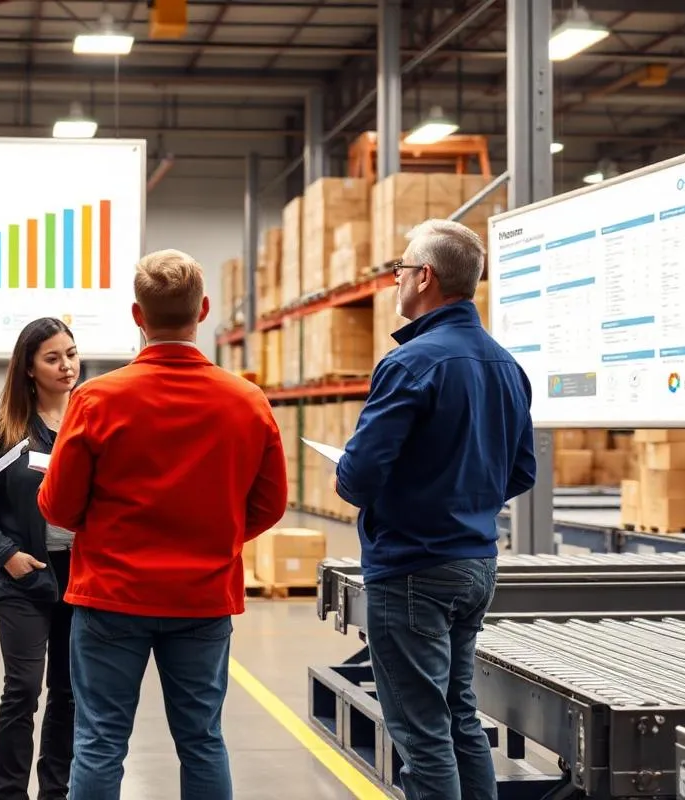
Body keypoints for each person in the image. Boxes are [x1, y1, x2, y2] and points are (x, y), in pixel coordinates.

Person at [36, 249, 289, 800]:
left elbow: (57, 506)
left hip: (110, 596)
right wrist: (217, 536)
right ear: (204, 310)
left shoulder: (96, 399)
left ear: (137, 315)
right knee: (202, 740)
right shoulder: (246, 401)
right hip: (202, 598)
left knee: (100, 741)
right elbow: (270, 503)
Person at [333, 219, 536, 800]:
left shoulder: (410, 364)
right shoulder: (506, 366)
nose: (395, 280)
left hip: (412, 569)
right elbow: (522, 471)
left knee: (423, 735)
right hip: (476, 565)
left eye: (400, 269)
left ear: (424, 277)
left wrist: (352, 472)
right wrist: (462, 497)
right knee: (459, 715)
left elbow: (359, 477)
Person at [0, 317, 81, 800]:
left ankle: (56, 790)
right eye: (52, 358)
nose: (66, 366)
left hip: (81, 578)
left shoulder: (89, 425)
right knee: (23, 690)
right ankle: (9, 793)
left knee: (70, 692)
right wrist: (7, 555)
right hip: (24, 578)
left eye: (71, 354)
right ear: (29, 368)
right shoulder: (4, 435)